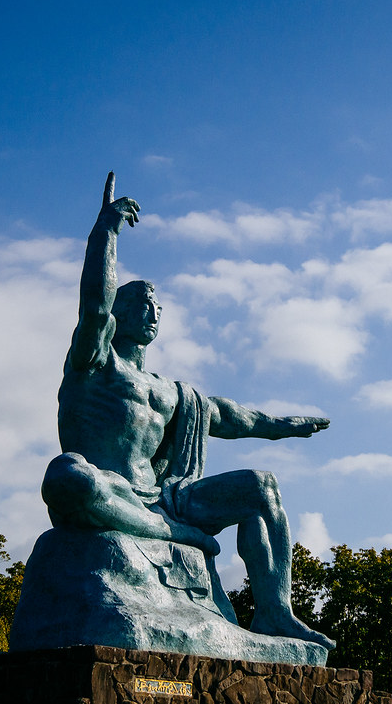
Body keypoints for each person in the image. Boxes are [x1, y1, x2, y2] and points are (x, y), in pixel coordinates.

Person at [42, 172, 333, 649]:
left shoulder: (172, 392)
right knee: (67, 477)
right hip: (109, 489)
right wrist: (106, 231)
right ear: (120, 312)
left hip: (165, 498)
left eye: (158, 307)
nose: (153, 312)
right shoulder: (94, 362)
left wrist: (286, 426)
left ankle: (275, 612)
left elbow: (233, 418)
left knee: (261, 487)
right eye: (143, 303)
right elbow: (93, 304)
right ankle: (173, 533)